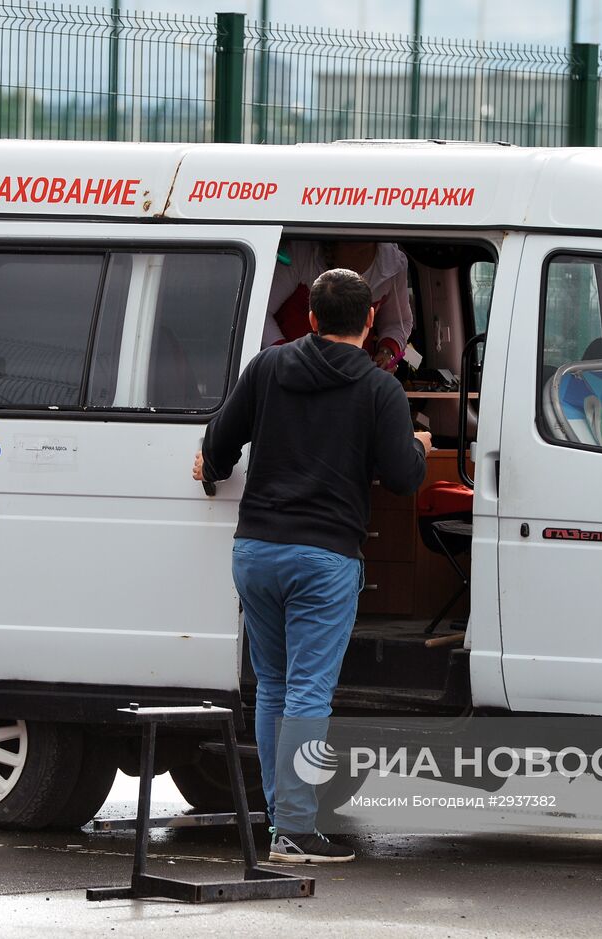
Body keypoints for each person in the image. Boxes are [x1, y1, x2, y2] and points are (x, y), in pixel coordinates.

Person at [193, 268, 430, 863]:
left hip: (256, 552)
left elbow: (220, 441)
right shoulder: (380, 390)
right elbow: (402, 478)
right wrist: (420, 447)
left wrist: (211, 468)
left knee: (272, 685)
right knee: (307, 692)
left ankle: (283, 824)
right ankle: (294, 829)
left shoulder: (270, 367)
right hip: (323, 558)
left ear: (312, 318)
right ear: (370, 319)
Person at [263, 241, 413, 372]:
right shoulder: (300, 251)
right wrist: (286, 360)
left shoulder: (394, 264)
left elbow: (398, 322)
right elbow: (260, 312)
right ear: (369, 318)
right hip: (294, 377)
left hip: (353, 376)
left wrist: (387, 352)